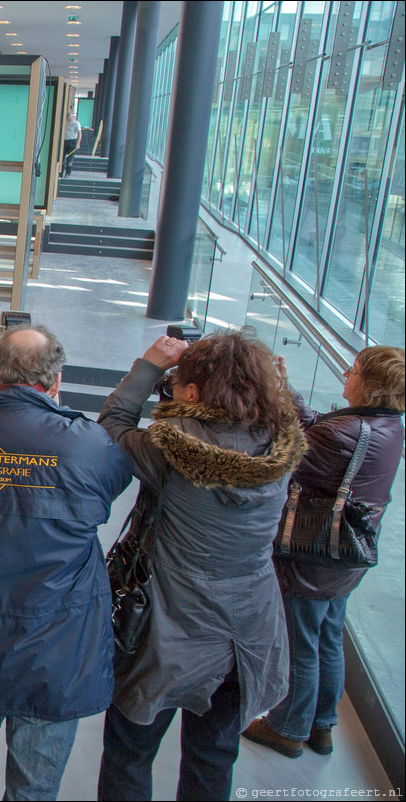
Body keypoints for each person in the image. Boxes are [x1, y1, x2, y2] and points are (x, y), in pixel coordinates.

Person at [0, 324, 132, 801]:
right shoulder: (89, 446)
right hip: (57, 651)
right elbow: (113, 486)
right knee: (35, 786)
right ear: (56, 382)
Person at [95, 330, 307, 801]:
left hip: (169, 631)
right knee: (213, 758)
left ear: (192, 393)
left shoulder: (174, 447)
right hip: (247, 634)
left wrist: (148, 366)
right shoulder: (282, 442)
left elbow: (111, 429)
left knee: (130, 753)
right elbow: (290, 410)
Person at [243, 346, 405, 758]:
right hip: (344, 558)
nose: (346, 375)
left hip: (311, 558)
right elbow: (316, 427)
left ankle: (287, 727)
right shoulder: (383, 425)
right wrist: (285, 390)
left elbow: (285, 456)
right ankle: (321, 724)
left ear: (370, 384)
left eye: (353, 371)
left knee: (299, 642)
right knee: (327, 637)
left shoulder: (344, 433)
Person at [62, 111, 82, 177]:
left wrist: (78, 143)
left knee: (70, 158)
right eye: (67, 118)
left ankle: (68, 172)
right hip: (65, 141)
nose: (67, 119)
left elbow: (79, 133)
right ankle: (61, 171)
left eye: (69, 118)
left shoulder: (76, 123)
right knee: (62, 157)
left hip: (72, 141)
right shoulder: (65, 122)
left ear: (72, 117)